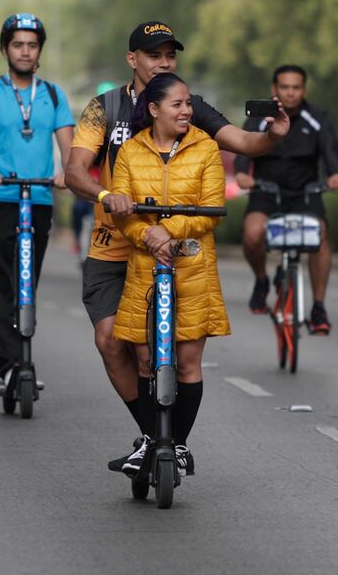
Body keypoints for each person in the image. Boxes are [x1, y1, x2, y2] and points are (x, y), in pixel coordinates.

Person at [64, 20, 290, 471]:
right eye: (154, 55)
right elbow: (74, 172)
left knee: (172, 354)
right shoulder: (103, 108)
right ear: (133, 61)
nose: (164, 62)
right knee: (112, 340)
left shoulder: (190, 107)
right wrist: (108, 197)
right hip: (117, 242)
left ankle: (163, 443)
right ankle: (153, 435)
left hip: (177, 251)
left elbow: (243, 142)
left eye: (170, 54)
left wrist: (272, 136)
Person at [109, 72, 229, 475]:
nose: (186, 111)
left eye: (188, 104)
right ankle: (150, 440)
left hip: (193, 267)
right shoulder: (129, 152)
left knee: (188, 360)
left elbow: (211, 208)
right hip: (145, 266)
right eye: (177, 104)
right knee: (145, 360)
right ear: (155, 109)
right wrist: (146, 234)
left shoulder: (206, 148)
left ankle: (177, 445)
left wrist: (169, 230)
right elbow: (122, 215)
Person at [0, 12, 74, 391]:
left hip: (38, 199)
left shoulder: (53, 95)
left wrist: (67, 174)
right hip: (0, 197)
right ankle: (10, 364)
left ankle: (19, 357)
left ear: (40, 52)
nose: (25, 51)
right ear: (5, 49)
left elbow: (71, 152)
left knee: (27, 283)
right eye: (18, 44)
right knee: (0, 283)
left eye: (32, 45)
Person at [234, 64, 338, 332]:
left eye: (296, 87)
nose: (291, 93)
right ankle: (262, 280)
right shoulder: (261, 116)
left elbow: (331, 154)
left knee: (320, 235)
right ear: (274, 89)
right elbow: (242, 147)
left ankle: (319, 307)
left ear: (304, 90)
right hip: (265, 192)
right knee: (251, 233)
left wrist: (336, 176)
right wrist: (241, 174)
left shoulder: (318, 117)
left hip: (305, 194)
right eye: (284, 87)